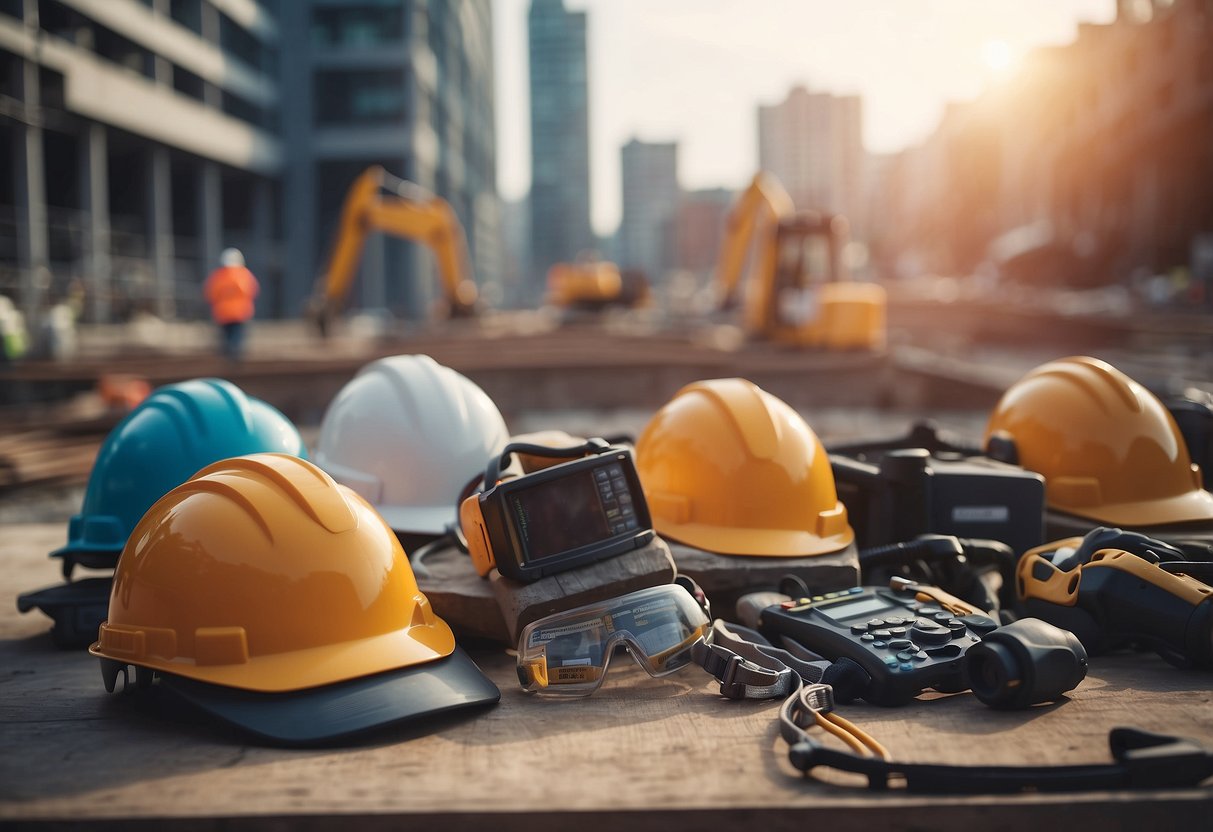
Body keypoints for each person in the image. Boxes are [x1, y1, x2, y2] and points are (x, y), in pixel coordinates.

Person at [204, 248, 260, 361]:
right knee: (237, 335)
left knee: (227, 335)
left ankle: (228, 353)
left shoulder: (218, 276)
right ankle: (235, 354)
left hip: (222, 312)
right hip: (240, 312)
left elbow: (210, 293)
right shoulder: (244, 274)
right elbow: (252, 290)